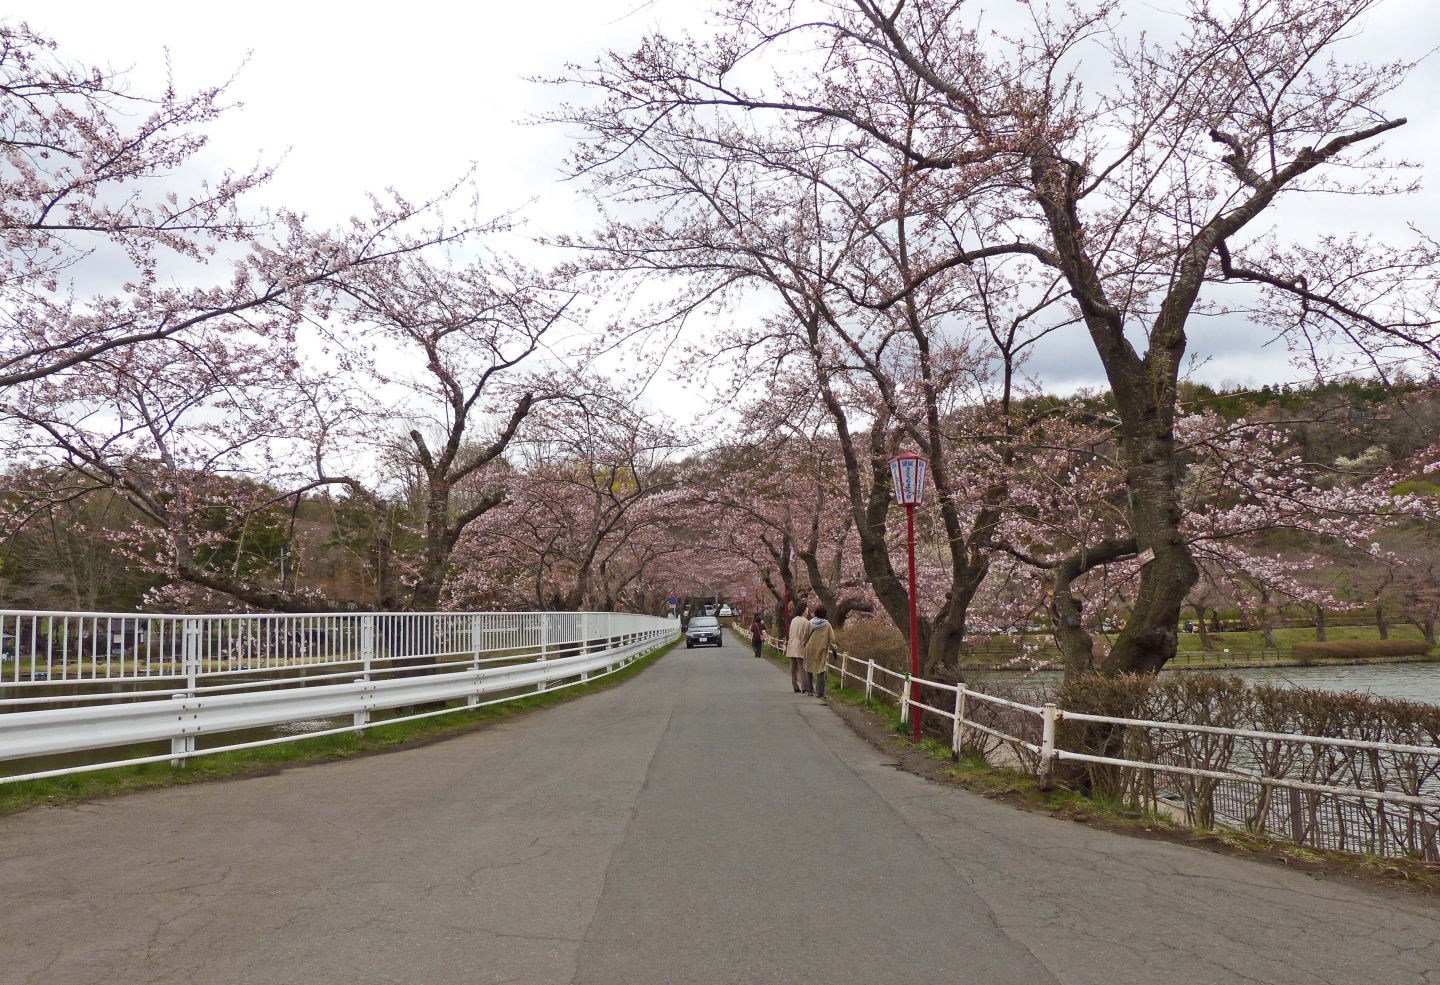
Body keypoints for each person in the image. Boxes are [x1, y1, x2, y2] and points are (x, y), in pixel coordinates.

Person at [803, 604, 836, 698]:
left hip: (810, 648)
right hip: (821, 649)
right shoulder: (827, 625)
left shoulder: (810, 623)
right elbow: (832, 638)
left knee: (809, 669)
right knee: (821, 670)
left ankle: (810, 690)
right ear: (825, 614)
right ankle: (820, 692)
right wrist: (834, 648)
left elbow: (805, 636)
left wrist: (804, 644)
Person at [785, 601, 812, 693]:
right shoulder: (805, 621)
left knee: (793, 667)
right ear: (803, 610)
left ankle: (795, 685)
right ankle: (805, 686)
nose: (808, 610)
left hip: (792, 643)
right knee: (802, 667)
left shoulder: (794, 620)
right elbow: (806, 635)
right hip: (800, 644)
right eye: (807, 609)